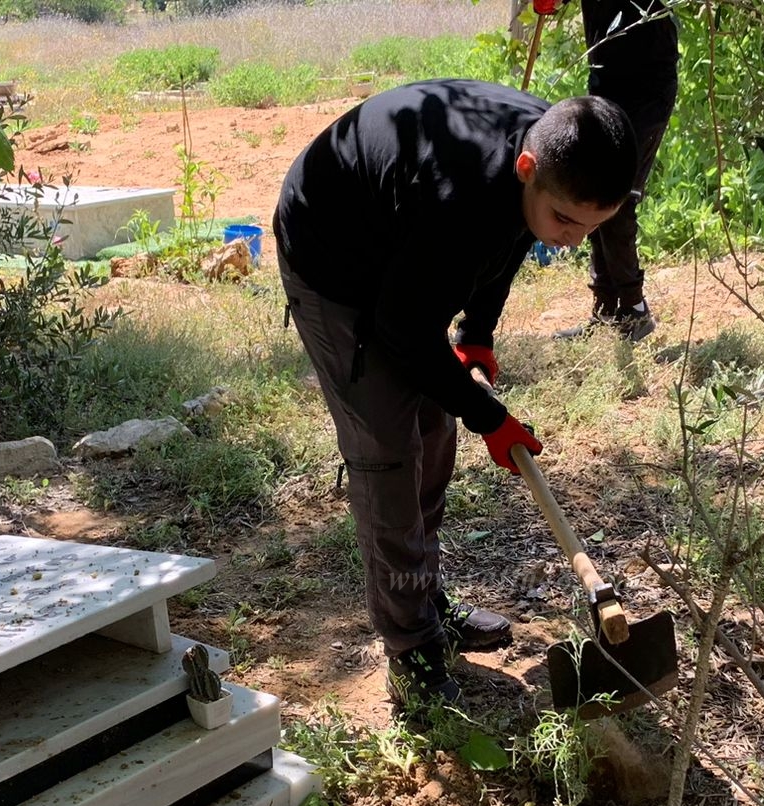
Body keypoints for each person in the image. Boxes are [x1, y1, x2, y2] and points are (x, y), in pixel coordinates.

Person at [273, 80, 639, 707]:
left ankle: (424, 594)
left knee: (435, 427)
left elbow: (511, 239)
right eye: (568, 222)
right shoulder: (458, 196)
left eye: (593, 227)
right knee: (388, 446)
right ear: (527, 168)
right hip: (334, 256)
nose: (574, 241)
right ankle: (411, 647)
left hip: (405, 247)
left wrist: (476, 331)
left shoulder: (548, 153)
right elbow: (401, 329)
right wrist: (490, 416)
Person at [543, 0, 680, 342]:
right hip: (607, 76)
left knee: (615, 197)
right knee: (594, 188)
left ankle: (634, 310)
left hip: (648, 81)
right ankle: (606, 310)